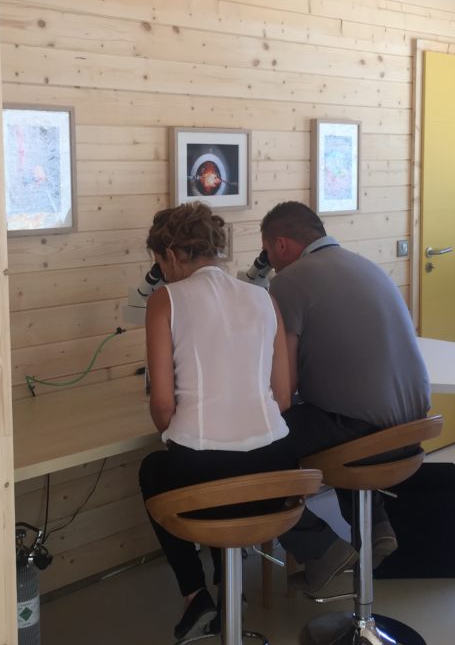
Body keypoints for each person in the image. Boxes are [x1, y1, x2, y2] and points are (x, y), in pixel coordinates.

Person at [138, 202, 293, 640]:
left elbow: (164, 406)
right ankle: (230, 587)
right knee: (212, 472)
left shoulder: (164, 300)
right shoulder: (264, 296)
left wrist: (181, 431)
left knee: (157, 470)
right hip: (279, 470)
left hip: (206, 477)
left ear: (169, 255)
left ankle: (195, 594)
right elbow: (282, 397)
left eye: (159, 264)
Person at [260, 201, 431, 596]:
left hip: (364, 434)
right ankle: (376, 529)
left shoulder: (288, 282)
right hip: (413, 429)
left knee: (258, 445)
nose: (267, 262)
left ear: (281, 245)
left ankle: (318, 548)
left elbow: (282, 392)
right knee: (329, 416)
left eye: (267, 252)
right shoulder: (365, 265)